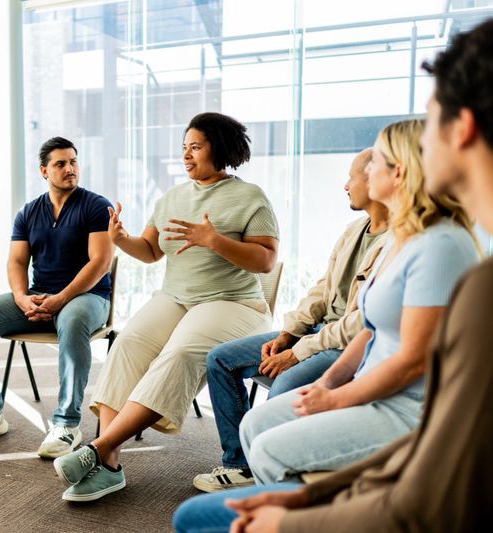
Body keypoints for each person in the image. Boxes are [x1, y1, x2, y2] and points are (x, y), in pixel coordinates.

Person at [172, 19, 493, 533]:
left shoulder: (454, 255)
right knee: (249, 428)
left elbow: (434, 469)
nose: (360, 177)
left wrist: (295, 515)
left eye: (429, 121)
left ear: (462, 130)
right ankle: (255, 472)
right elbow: (356, 319)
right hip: (381, 412)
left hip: (397, 429)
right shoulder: (401, 240)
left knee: (198, 515)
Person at [53, 112, 279, 502]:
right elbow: (152, 251)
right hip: (176, 298)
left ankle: (97, 450)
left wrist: (214, 241)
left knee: (180, 353)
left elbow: (265, 261)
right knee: (128, 344)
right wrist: (121, 239)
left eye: (196, 147)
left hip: (233, 302)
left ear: (219, 150)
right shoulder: (173, 196)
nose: (186, 156)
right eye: (184, 148)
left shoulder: (250, 197)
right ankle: (108, 465)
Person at [193, 149, 389, 492]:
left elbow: (360, 325)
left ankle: (272, 475)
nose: (345, 185)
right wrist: (288, 334)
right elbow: (322, 289)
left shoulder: (398, 242)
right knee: (220, 359)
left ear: (375, 181)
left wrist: (298, 353)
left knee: (283, 390)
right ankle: (241, 464)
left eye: (351, 177)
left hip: (343, 346)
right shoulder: (353, 229)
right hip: (314, 333)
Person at [0, 137, 113, 459]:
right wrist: (22, 298)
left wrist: (61, 299)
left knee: (74, 318)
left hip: (88, 297)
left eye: (73, 162)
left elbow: (100, 262)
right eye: (60, 164)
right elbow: (16, 262)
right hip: (40, 296)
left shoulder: (95, 206)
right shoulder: (28, 212)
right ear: (44, 171)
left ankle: (67, 423)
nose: (70, 169)